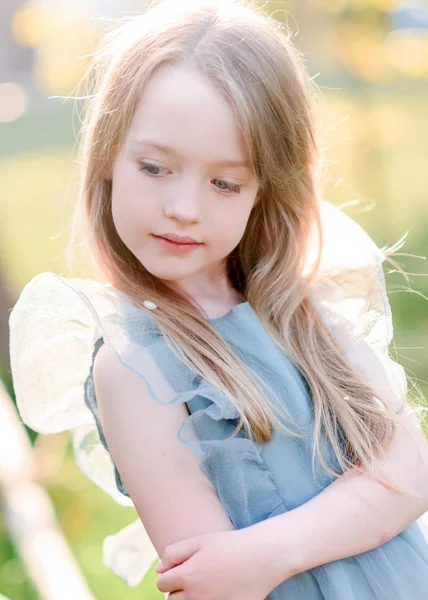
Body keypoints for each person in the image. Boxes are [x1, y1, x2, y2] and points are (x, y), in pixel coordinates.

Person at [8, 0, 428, 598]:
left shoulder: (301, 304)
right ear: (106, 156)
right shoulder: (136, 366)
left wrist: (266, 552)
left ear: (262, 190)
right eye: (155, 168)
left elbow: (410, 473)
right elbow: (214, 583)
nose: (184, 207)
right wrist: (357, 512)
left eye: (225, 182)